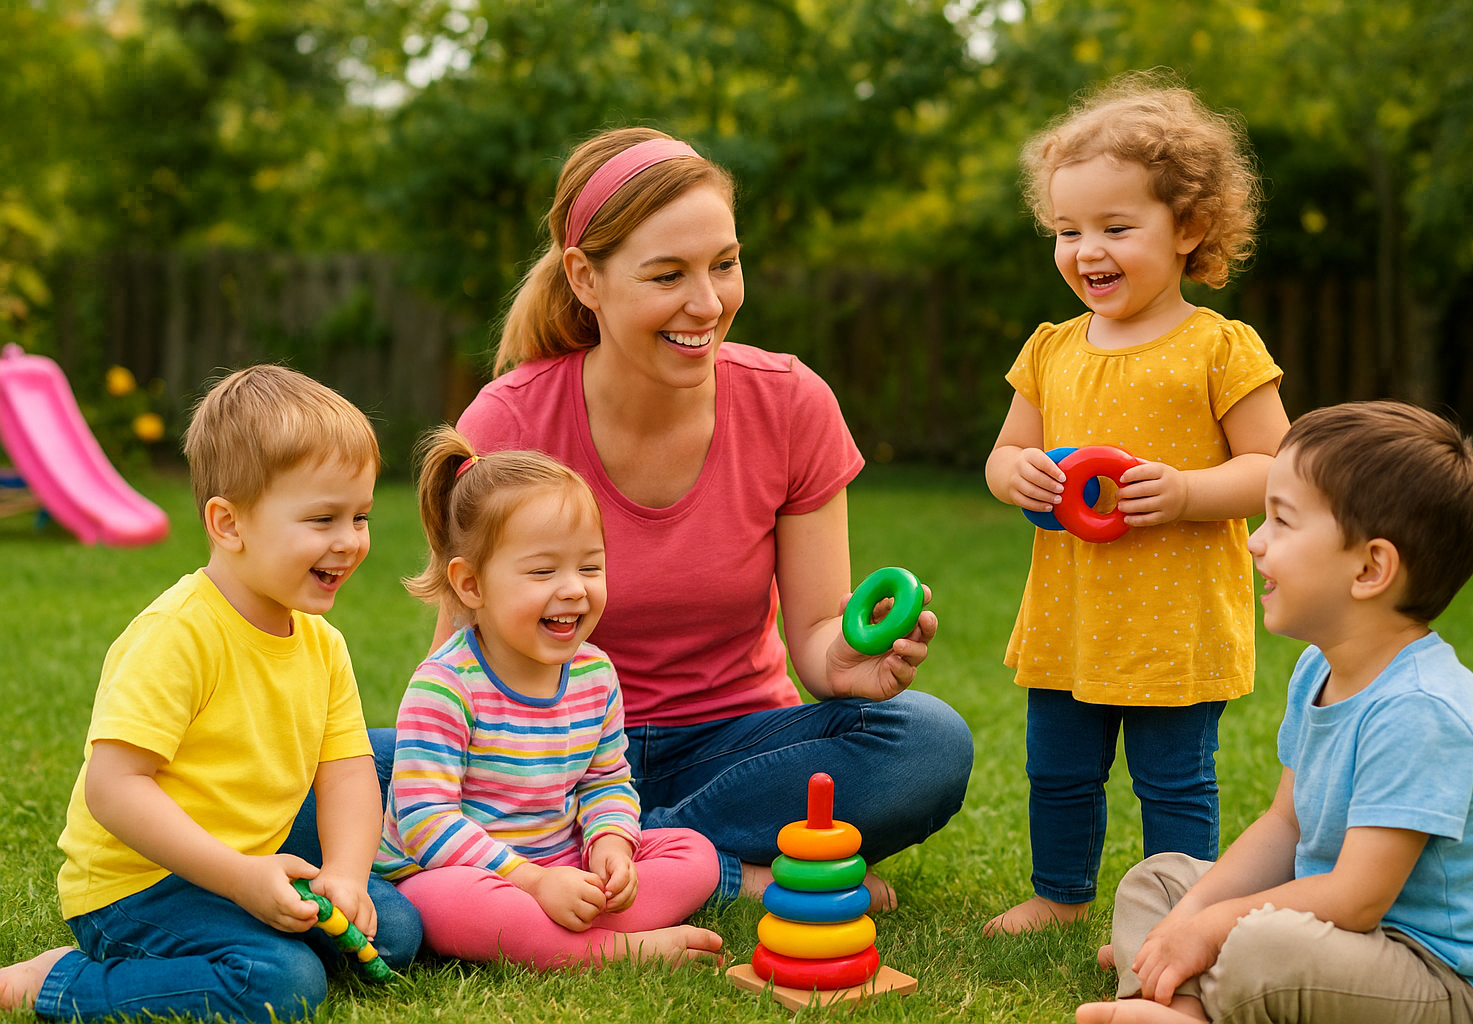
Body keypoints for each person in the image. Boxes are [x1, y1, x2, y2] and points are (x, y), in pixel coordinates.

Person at [440, 126, 973, 909]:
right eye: (667, 275)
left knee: (925, 743)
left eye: (725, 264)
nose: (708, 302)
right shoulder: (506, 424)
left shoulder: (790, 404)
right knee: (335, 778)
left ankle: (628, 857)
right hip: (550, 756)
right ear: (586, 278)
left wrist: (851, 668)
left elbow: (819, 639)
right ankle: (713, 870)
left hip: (733, 752)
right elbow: (458, 664)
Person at [1078, 401, 1473, 1024]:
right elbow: (1285, 826)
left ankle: (1184, 988)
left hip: (1427, 979)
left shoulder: (1421, 711)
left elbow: (1358, 898)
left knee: (1260, 942)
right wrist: (1192, 916)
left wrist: (1216, 928)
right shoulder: (1320, 667)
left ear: (1370, 568)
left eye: (1281, 522)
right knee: (1159, 881)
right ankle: (1174, 996)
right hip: (1323, 930)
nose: (1255, 542)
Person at [0, 365, 420, 1020]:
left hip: (254, 849)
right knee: (282, 983)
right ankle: (54, 980)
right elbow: (114, 790)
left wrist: (342, 870)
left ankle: (290, 903)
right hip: (142, 885)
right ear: (228, 524)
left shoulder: (320, 643)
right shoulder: (179, 635)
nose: (350, 541)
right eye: (322, 518)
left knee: (394, 933)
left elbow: (345, 772)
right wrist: (241, 878)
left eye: (360, 515)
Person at [983, 73, 1291, 935]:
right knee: (1060, 769)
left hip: (1174, 618)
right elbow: (1004, 455)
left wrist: (1191, 490)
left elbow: (1275, 465)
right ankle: (1061, 894)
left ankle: (1177, 910)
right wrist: (1017, 476)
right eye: (1068, 230)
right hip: (1073, 611)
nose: (1088, 250)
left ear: (1188, 228)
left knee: (1174, 781)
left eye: (1116, 228)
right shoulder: (1051, 349)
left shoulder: (1218, 347)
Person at [375, 428, 723, 967]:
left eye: (590, 566)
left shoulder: (594, 674)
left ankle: (571, 927)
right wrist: (533, 882)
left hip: (562, 860)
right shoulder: (445, 686)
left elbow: (605, 780)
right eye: (543, 571)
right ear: (471, 586)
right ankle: (609, 950)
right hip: (464, 873)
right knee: (445, 906)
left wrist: (610, 847)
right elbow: (426, 820)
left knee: (694, 854)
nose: (574, 588)